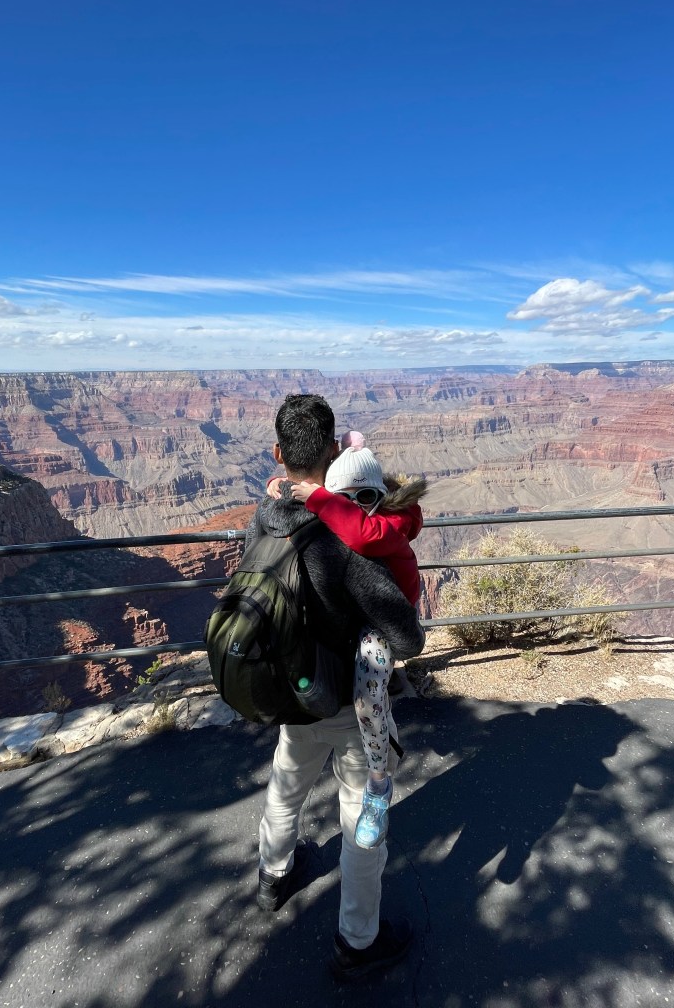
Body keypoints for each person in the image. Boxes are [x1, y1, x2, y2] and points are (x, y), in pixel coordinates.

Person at [252, 394, 425, 981]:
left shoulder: (265, 516)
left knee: (287, 784)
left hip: (290, 692)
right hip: (349, 704)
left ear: (278, 455)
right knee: (361, 820)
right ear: (331, 453)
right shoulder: (342, 546)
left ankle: (273, 877)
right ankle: (357, 942)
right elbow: (407, 638)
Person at [289, 432, 426, 851]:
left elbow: (361, 535)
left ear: (381, 496)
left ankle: (379, 787)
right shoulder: (360, 513)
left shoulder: (385, 524)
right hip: (359, 613)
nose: (355, 507)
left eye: (366, 497)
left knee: (368, 691)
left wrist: (319, 499)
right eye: (345, 499)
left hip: (384, 621)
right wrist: (286, 492)